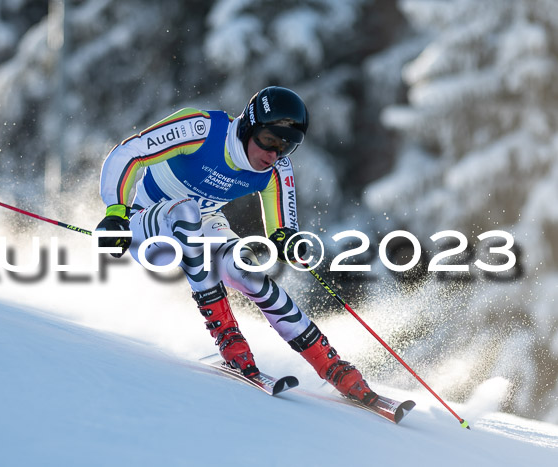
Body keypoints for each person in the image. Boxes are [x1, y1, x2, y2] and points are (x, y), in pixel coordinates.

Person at [95, 86, 378, 405]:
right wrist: (116, 212)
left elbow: (283, 228)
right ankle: (229, 340)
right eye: (270, 140)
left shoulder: (275, 170)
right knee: (186, 212)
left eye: (286, 146)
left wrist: (287, 241)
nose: (274, 154)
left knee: (248, 273)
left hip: (202, 224)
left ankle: (334, 368)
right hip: (146, 226)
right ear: (248, 126)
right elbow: (127, 153)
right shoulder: (201, 131)